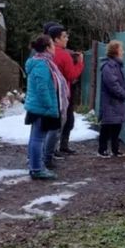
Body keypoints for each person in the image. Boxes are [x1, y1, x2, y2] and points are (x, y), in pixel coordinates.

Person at [24, 34, 67, 180]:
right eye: (52, 45)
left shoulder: (41, 62)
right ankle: (36, 169)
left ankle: (35, 166)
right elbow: (42, 87)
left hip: (38, 107)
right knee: (38, 139)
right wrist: (49, 104)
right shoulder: (42, 64)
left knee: (35, 138)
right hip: (41, 108)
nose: (54, 48)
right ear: (47, 48)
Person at [44, 22, 84, 157]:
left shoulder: (42, 54)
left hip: (47, 93)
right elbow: (72, 74)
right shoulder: (63, 55)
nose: (67, 39)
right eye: (65, 36)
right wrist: (80, 63)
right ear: (56, 39)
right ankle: (52, 151)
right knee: (62, 122)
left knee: (49, 124)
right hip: (61, 93)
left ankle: (52, 150)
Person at [98, 40, 125, 158]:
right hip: (111, 101)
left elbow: (123, 81)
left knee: (116, 126)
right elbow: (113, 85)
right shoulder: (109, 66)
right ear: (116, 51)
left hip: (117, 101)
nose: (123, 51)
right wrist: (124, 93)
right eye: (121, 49)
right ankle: (102, 150)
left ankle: (115, 149)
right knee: (107, 126)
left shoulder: (117, 65)